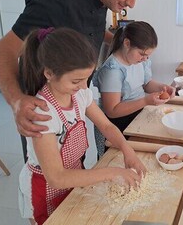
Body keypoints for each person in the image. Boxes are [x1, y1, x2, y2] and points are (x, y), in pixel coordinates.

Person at [0, 0, 148, 161]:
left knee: (75, 167)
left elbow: (92, 31)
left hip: (74, 106)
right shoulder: (56, 0)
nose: (131, 3)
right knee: (49, 178)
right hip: (44, 112)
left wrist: (125, 43)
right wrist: (17, 100)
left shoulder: (104, 0)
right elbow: (3, 50)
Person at [18, 27, 146, 225]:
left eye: (86, 78)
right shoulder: (42, 113)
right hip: (45, 188)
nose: (83, 85)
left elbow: (106, 125)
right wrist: (113, 173)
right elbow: (56, 178)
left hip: (75, 175)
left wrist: (126, 149)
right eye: (76, 81)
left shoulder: (80, 94)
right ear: (49, 73)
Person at [93, 21, 175, 156]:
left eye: (148, 55)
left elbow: (146, 83)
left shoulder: (139, 60)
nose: (145, 58)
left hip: (137, 114)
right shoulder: (112, 70)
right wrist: (145, 101)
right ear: (126, 43)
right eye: (142, 54)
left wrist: (163, 87)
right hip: (117, 124)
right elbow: (112, 111)